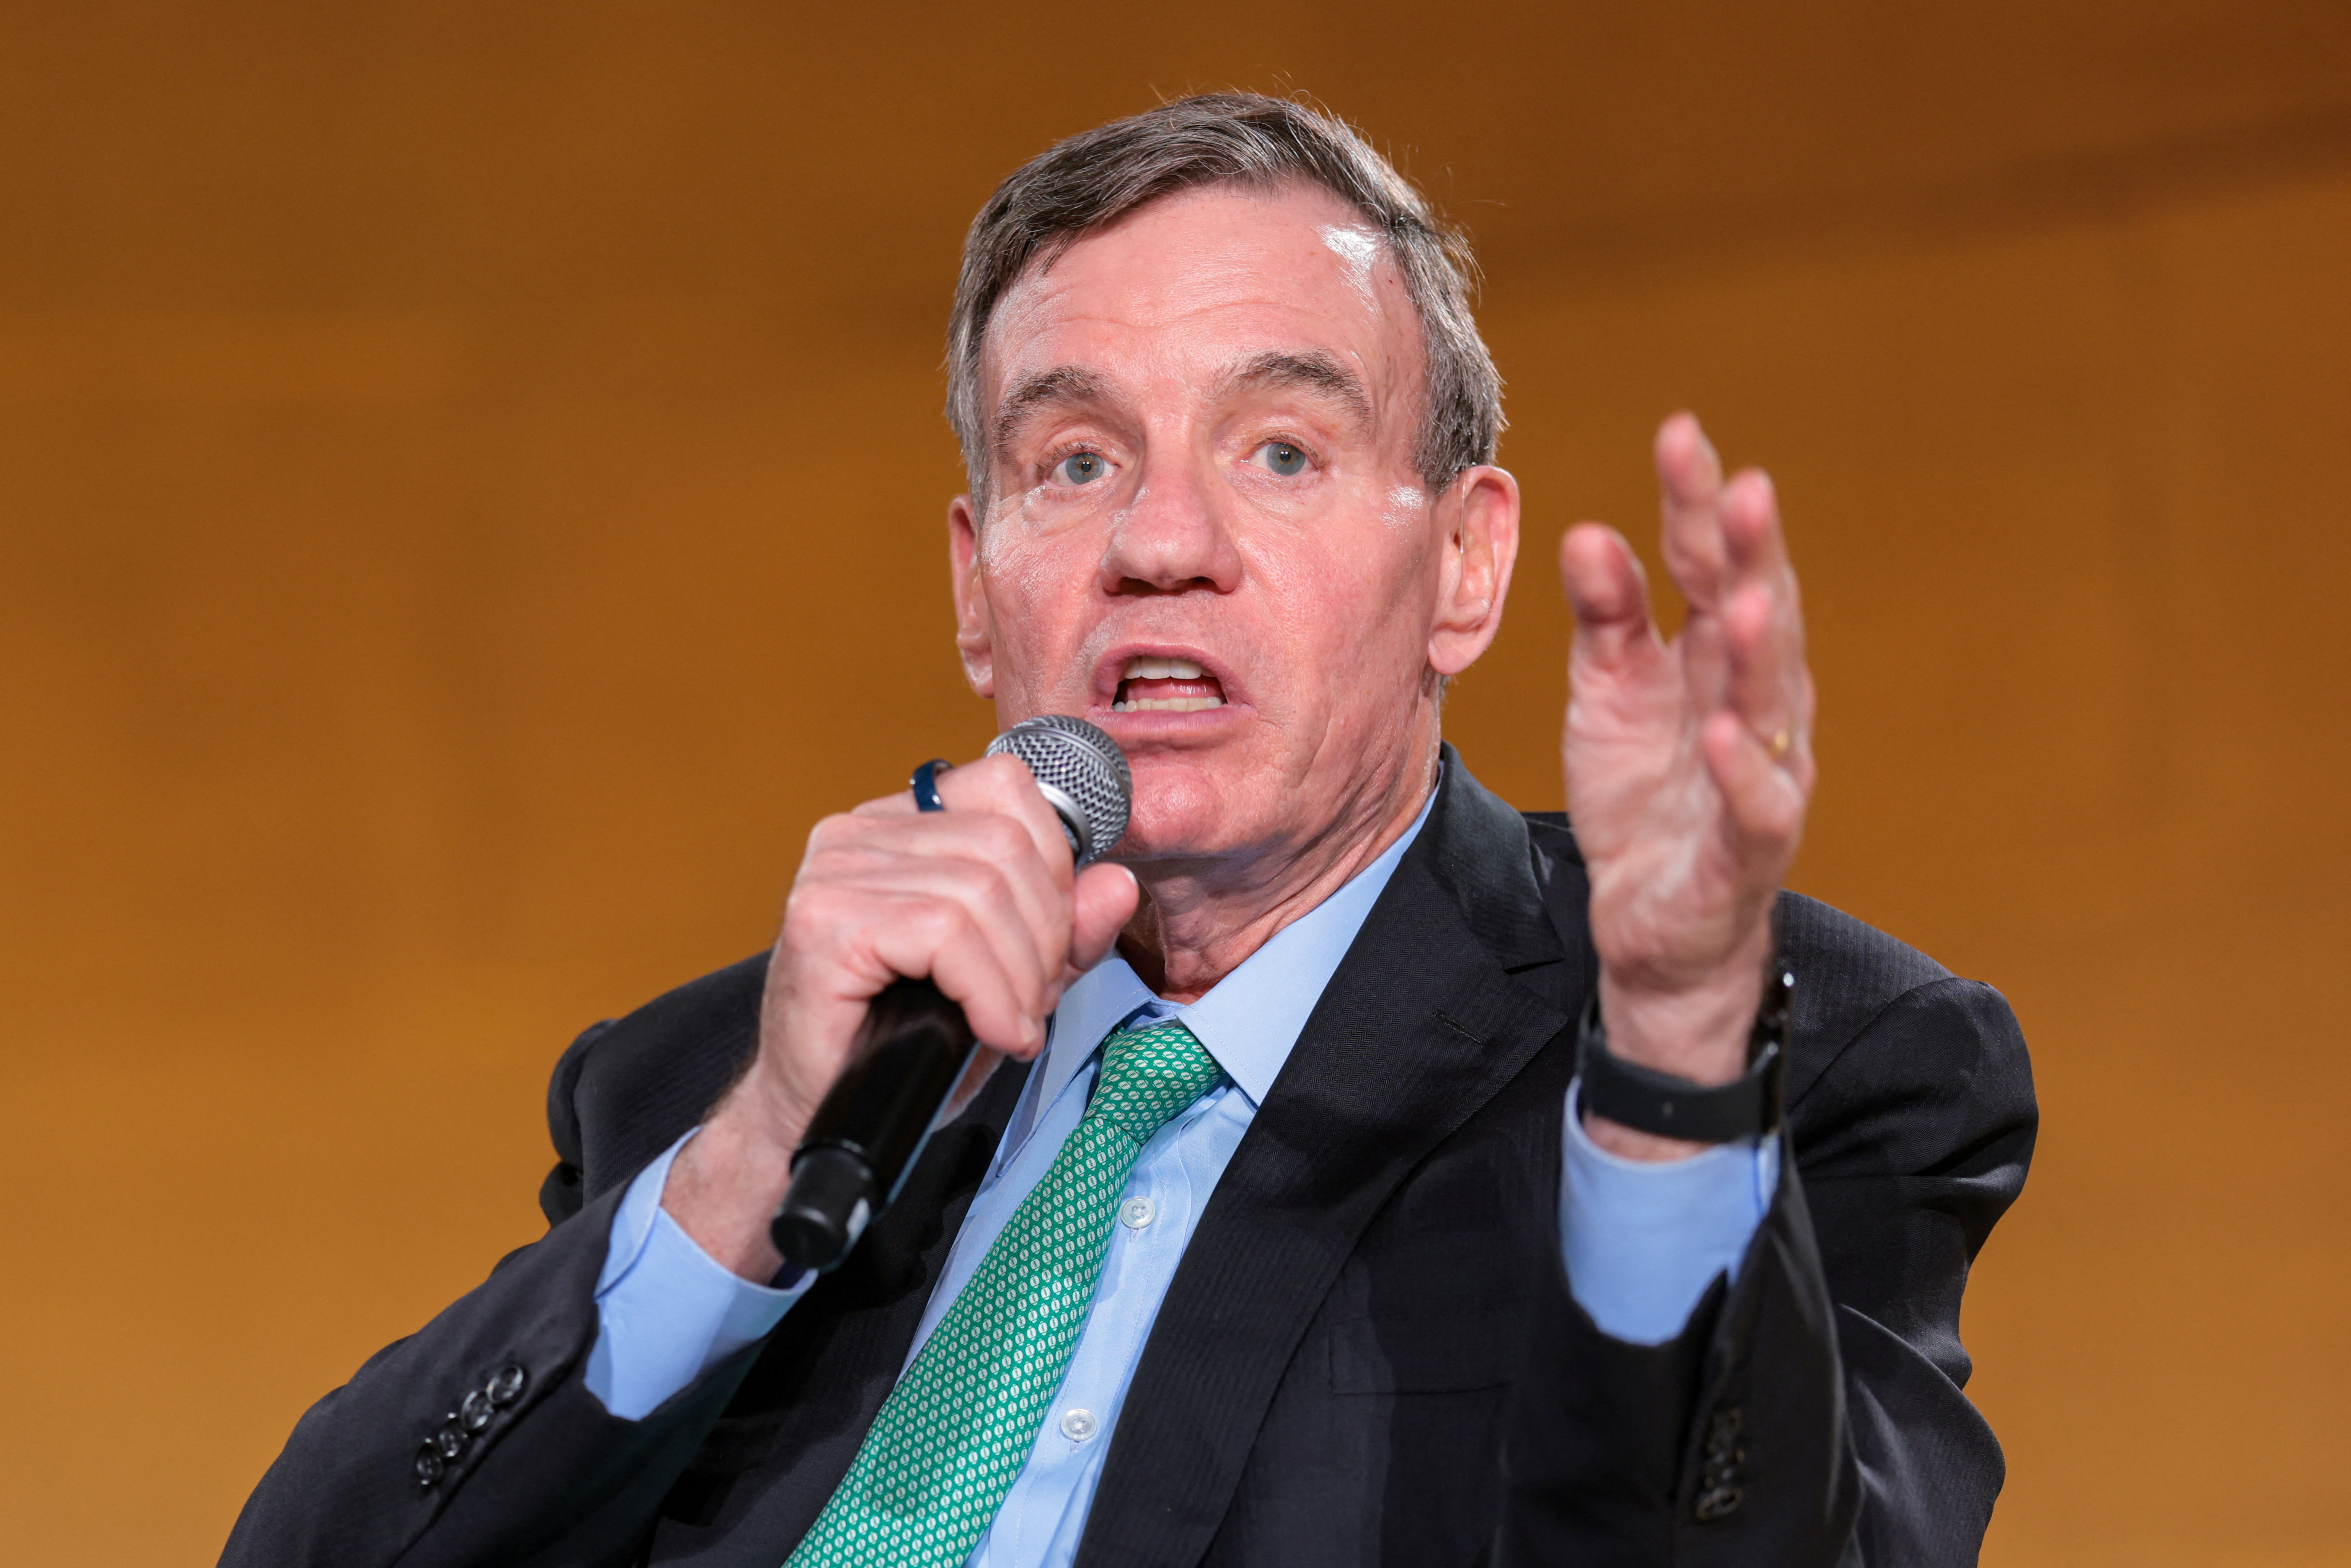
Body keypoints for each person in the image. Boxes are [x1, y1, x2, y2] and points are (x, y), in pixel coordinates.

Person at [223, 93, 2034, 1567]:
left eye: (1280, 451)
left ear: (1464, 565)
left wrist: (1671, 1074)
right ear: (976, 586)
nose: (1159, 545)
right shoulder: (717, 1091)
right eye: (1075, 462)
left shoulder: (1789, 1066)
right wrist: (751, 1161)